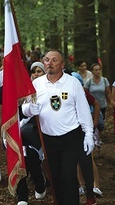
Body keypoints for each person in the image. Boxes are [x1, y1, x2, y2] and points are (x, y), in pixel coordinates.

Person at [22, 49, 94, 204]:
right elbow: (24, 108)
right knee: (54, 176)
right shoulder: (36, 84)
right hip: (47, 138)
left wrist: (89, 133)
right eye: (47, 60)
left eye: (54, 60)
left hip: (70, 137)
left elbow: (83, 110)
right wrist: (29, 109)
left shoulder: (72, 82)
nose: (50, 63)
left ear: (62, 64)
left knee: (68, 175)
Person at [0, 62, 48, 205]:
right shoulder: (2, 91)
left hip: (31, 129)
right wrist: (1, 133)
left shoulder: (31, 88)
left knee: (31, 158)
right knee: (18, 159)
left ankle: (39, 182)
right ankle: (22, 196)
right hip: (12, 130)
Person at [71, 72, 102, 205]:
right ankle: (82, 185)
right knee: (75, 160)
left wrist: (94, 122)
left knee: (88, 158)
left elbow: (96, 104)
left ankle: (95, 186)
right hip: (71, 131)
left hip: (85, 129)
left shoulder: (83, 91)